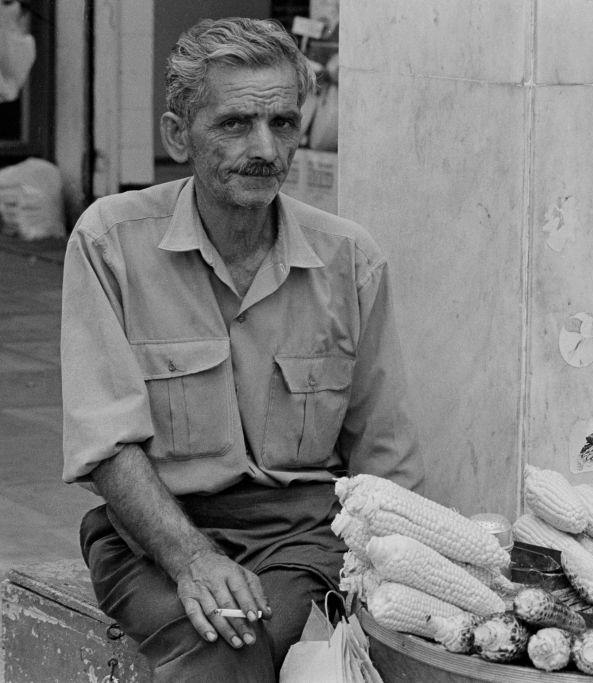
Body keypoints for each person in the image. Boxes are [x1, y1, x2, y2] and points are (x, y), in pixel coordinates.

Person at [60, 17, 424, 681]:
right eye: (234, 124)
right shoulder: (108, 242)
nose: (264, 147)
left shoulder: (351, 261)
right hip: (150, 537)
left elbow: (385, 461)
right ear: (178, 136)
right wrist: (191, 557)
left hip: (302, 541)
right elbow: (106, 445)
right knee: (226, 637)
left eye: (282, 123)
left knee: (244, 636)